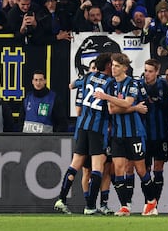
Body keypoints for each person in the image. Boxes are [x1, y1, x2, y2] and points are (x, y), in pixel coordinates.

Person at [93, 53, 158, 216]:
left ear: (125, 68)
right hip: (117, 134)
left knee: (141, 170)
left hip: (134, 133)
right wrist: (134, 108)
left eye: (116, 66)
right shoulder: (110, 84)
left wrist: (110, 98)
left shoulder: (133, 83)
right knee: (119, 169)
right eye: (112, 65)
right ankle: (125, 206)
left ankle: (151, 201)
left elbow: (127, 102)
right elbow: (112, 109)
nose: (113, 68)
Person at [54, 53, 114, 215]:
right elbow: (112, 108)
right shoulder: (110, 83)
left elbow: (71, 85)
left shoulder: (88, 76)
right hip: (97, 128)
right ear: (108, 65)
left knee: (75, 165)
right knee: (97, 168)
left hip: (82, 127)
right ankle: (90, 206)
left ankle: (61, 198)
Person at [140, 58, 168, 205]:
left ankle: (154, 203)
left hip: (161, 135)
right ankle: (148, 202)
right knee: (144, 171)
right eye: (145, 70)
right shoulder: (139, 85)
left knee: (158, 169)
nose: (147, 74)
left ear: (157, 72)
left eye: (150, 71)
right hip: (144, 135)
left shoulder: (164, 85)